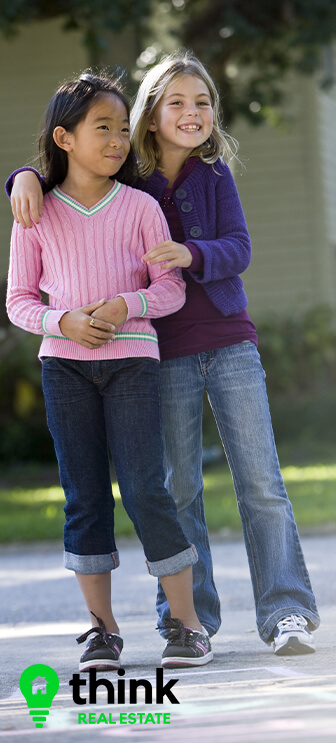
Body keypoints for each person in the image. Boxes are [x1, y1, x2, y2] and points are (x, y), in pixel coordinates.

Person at [7, 53, 320, 657]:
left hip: (228, 339)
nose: (192, 113)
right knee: (176, 492)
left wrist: (192, 255)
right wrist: (19, 174)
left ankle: (286, 612)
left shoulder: (213, 175)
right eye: (175, 102)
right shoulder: (128, 180)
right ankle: (190, 621)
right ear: (150, 117)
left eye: (202, 102)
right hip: (162, 353)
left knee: (261, 482)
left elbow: (239, 248)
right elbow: (64, 176)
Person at [6, 71, 214, 671]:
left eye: (125, 128)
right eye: (104, 128)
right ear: (64, 138)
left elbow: (170, 289)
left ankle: (187, 626)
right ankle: (102, 631)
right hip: (64, 370)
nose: (119, 139)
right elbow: (19, 300)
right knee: (85, 497)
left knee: (148, 488)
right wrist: (63, 322)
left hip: (132, 366)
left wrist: (130, 305)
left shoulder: (142, 207)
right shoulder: (36, 211)